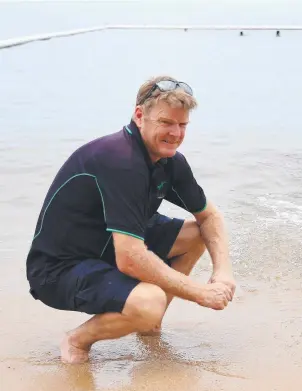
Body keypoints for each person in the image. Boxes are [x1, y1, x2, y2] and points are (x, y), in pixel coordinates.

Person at [26, 76, 237, 364]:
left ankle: (148, 323)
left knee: (196, 235)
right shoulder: (120, 159)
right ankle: (78, 340)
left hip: (110, 245)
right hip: (60, 267)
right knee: (149, 301)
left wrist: (222, 271)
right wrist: (201, 293)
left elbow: (210, 215)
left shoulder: (170, 161)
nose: (175, 133)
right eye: (166, 122)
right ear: (140, 116)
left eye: (182, 125)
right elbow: (130, 259)